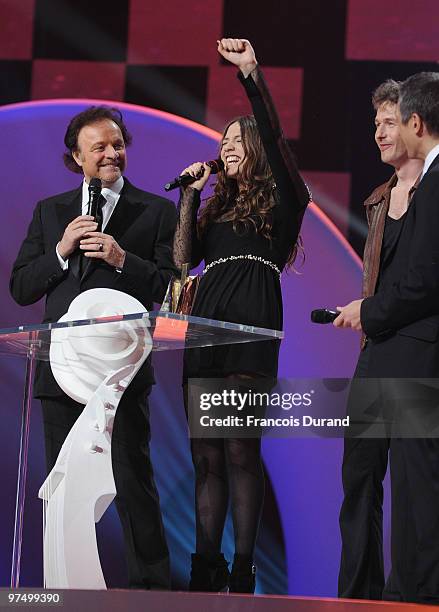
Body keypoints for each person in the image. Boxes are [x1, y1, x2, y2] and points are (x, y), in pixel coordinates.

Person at [10, 106, 177, 589]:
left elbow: (170, 287)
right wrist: (60, 250)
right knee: (63, 488)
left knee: (132, 484)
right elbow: (21, 288)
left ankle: (152, 594)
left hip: (119, 374)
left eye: (117, 144)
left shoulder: (155, 211)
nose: (111, 153)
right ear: (76, 157)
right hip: (61, 368)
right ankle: (62, 589)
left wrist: (125, 260)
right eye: (99, 147)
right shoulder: (51, 211)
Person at [173, 38, 310, 593]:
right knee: (205, 454)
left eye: (235, 139)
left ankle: (244, 564)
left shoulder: (284, 199)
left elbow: (276, 139)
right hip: (206, 325)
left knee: (239, 449)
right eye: (221, 140)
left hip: (252, 326)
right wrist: (188, 196)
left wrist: (251, 75)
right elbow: (184, 260)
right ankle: (205, 564)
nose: (226, 146)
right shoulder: (219, 205)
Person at [335, 72, 439, 603]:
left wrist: (370, 312)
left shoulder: (433, 190)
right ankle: (357, 592)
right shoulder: (377, 199)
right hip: (376, 352)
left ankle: (410, 594)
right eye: (374, 122)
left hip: (415, 351)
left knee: (413, 481)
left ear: (413, 123)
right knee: (359, 477)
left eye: (389, 121)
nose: (379, 131)